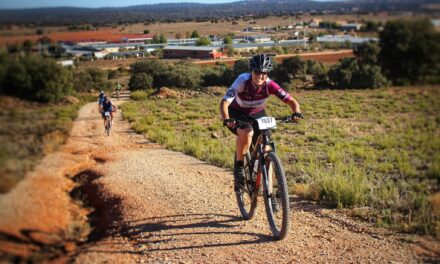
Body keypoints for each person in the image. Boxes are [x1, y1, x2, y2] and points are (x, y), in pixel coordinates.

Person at [219, 53, 303, 190]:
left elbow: (291, 101)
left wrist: (296, 112)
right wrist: (227, 119)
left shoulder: (270, 85)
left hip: (257, 113)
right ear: (251, 71)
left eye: (264, 73)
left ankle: (269, 191)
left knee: (266, 148)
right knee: (247, 132)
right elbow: (224, 103)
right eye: (257, 72)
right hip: (237, 113)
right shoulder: (242, 80)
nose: (260, 76)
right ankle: (239, 167)